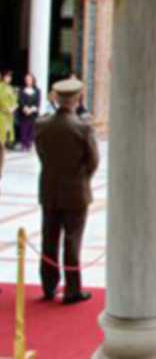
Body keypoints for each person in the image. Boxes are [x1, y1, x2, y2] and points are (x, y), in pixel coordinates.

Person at [34, 77, 100, 303]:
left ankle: (49, 286)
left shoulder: (42, 124)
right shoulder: (81, 127)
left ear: (57, 98)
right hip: (75, 190)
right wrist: (83, 178)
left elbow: (41, 153)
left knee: (48, 239)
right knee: (72, 242)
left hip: (50, 189)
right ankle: (72, 290)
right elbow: (93, 160)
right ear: (77, 98)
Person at [18, 73, 41, 153]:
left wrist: (31, 109)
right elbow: (20, 101)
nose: (28, 80)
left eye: (29, 79)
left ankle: (29, 144)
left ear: (33, 80)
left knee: (32, 129)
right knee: (24, 128)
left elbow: (37, 102)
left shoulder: (37, 91)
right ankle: (23, 144)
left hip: (33, 113)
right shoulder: (21, 90)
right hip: (24, 113)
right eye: (27, 79)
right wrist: (25, 108)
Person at [0, 72, 17, 150]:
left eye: (9, 77)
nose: (8, 79)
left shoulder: (10, 87)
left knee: (7, 132)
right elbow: (1, 100)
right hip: (2, 113)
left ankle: (4, 148)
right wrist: (7, 108)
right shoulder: (1, 86)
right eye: (6, 77)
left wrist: (14, 107)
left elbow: (15, 99)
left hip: (9, 114)